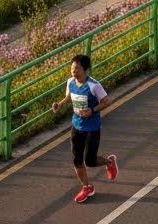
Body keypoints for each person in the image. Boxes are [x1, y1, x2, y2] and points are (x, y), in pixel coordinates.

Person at [50, 53, 118, 205]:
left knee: (90, 161)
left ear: (85, 69)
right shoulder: (70, 82)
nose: (74, 71)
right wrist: (59, 105)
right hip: (76, 126)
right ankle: (87, 187)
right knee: (77, 160)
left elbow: (107, 101)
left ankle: (109, 162)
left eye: (77, 69)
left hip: (92, 128)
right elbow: (69, 97)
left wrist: (92, 110)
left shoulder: (94, 86)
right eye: (72, 68)